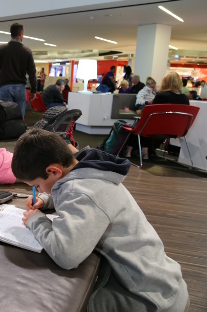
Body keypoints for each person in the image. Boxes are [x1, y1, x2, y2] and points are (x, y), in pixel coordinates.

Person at [11, 129, 189, 312]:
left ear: (53, 171)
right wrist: (46, 199)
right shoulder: (87, 169)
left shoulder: (81, 192)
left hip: (151, 298)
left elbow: (66, 256)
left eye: (37, 186)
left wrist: (37, 221)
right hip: (160, 279)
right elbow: (72, 193)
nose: (40, 189)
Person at [125, 72, 189, 159]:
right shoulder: (185, 98)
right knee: (144, 124)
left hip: (156, 129)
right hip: (175, 130)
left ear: (165, 82)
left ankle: (136, 150)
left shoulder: (161, 96)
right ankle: (145, 150)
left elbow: (151, 115)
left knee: (141, 124)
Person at [0, 22, 36, 118]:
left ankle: (5, 132)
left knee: (5, 116)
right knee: (19, 117)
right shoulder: (27, 50)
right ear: (21, 34)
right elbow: (32, 72)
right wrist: (34, 90)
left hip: (5, 86)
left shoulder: (1, 49)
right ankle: (19, 133)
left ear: (11, 33)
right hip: (20, 87)